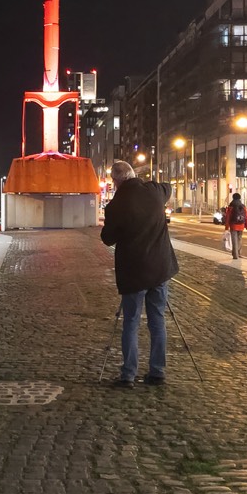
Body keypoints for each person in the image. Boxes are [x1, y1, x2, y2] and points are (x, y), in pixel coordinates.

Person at [100, 160, 179, 388]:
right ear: (133, 175)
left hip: (134, 272)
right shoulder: (155, 191)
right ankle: (157, 372)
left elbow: (107, 238)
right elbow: (168, 187)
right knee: (157, 320)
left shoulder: (116, 205)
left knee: (131, 322)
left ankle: (128, 375)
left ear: (116, 180)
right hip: (159, 270)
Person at [223, 192, 247, 260]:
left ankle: (235, 255)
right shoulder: (243, 206)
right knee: (239, 239)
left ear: (233, 198)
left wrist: (227, 227)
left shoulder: (231, 206)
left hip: (233, 225)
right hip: (241, 225)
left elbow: (228, 217)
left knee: (234, 240)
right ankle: (239, 253)